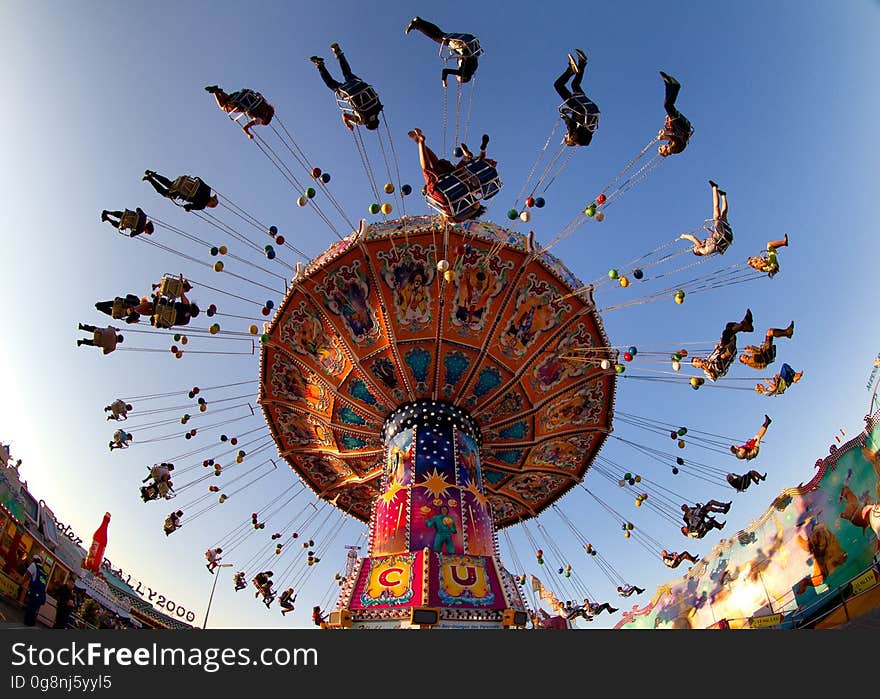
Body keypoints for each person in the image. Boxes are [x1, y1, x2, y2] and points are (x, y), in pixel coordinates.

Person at [409, 127, 494, 221]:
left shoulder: (471, 204)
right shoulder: (458, 217)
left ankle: (420, 143)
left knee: (437, 165)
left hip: (452, 181)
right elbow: (447, 215)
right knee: (427, 169)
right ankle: (421, 142)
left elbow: (472, 192)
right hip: (444, 191)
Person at [310, 44, 382, 131]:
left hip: (360, 85)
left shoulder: (378, 107)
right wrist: (348, 124)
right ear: (367, 124)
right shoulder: (362, 121)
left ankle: (338, 52)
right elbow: (345, 116)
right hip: (349, 92)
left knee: (347, 73)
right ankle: (319, 64)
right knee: (330, 83)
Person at [405, 17, 480, 86]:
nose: (456, 76)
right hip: (464, 44)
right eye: (458, 78)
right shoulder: (465, 73)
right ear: (463, 78)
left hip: (467, 44)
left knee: (440, 34)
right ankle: (416, 24)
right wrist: (444, 81)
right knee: (437, 37)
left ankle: (419, 21)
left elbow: (467, 58)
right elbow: (445, 71)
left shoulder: (470, 68)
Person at [691, 308, 754, 381]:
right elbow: (714, 377)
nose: (698, 360)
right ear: (697, 367)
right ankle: (745, 325)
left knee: (729, 327)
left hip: (725, 347)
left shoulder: (708, 358)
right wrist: (706, 368)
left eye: (696, 359)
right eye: (696, 361)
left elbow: (717, 352)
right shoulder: (706, 372)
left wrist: (717, 347)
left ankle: (746, 325)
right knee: (718, 360)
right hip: (726, 356)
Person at [554, 49, 599, 147]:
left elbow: (574, 122)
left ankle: (582, 62)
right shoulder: (575, 132)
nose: (565, 135)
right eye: (566, 136)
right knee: (558, 85)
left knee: (575, 85)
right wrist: (563, 116)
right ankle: (571, 69)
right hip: (580, 108)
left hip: (588, 108)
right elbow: (570, 123)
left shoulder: (584, 131)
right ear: (570, 138)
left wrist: (567, 113)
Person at [680, 180, 733, 256]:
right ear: (697, 251)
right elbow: (692, 238)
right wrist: (684, 236)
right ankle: (714, 188)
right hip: (720, 235)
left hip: (726, 236)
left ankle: (723, 196)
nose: (696, 246)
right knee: (716, 209)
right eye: (695, 248)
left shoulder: (707, 251)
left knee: (723, 214)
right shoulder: (701, 249)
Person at [205, 85, 275, 139]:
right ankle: (215, 91)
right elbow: (245, 127)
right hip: (239, 103)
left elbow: (258, 94)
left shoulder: (265, 106)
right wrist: (249, 134)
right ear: (265, 120)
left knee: (229, 99)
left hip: (242, 95)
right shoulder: (260, 119)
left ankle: (219, 91)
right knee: (223, 106)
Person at [143, 170, 218, 211]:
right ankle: (150, 179)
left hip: (185, 182)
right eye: (210, 206)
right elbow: (189, 206)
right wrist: (187, 208)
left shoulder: (208, 189)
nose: (208, 206)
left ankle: (153, 174)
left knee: (169, 183)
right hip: (181, 192)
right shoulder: (202, 205)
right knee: (164, 192)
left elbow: (198, 180)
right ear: (211, 204)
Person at [657, 71, 692, 156]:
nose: (660, 146)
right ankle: (675, 86)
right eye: (660, 149)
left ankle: (668, 84)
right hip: (683, 128)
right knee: (667, 106)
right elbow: (677, 140)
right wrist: (664, 136)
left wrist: (667, 128)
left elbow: (673, 134)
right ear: (664, 152)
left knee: (667, 105)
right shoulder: (674, 150)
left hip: (681, 127)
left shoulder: (670, 145)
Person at [23, 555, 47, 627]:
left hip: (34, 592)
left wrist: (21, 582)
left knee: (30, 611)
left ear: (34, 559)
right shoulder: (43, 570)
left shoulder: (34, 565)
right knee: (33, 612)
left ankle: (26, 625)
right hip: (41, 595)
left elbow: (27, 575)